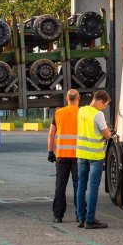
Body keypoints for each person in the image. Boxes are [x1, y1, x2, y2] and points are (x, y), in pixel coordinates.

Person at [73, 89, 112, 229]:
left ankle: (81, 218)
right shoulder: (98, 114)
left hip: (81, 154)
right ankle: (90, 220)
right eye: (105, 104)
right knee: (93, 187)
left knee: (81, 186)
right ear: (99, 101)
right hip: (95, 156)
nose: (105, 107)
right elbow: (107, 135)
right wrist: (111, 132)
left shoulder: (81, 111)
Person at [47, 89, 81, 223]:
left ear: (67, 98)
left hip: (61, 156)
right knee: (78, 185)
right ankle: (80, 214)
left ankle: (58, 215)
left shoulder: (58, 113)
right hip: (78, 155)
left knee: (60, 186)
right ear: (78, 98)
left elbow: (51, 134)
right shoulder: (81, 113)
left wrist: (50, 151)